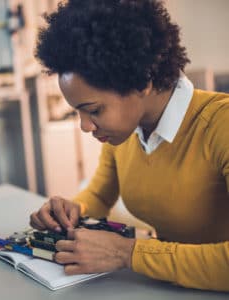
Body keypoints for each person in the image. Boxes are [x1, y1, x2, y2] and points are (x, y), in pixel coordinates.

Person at [30, 0, 229, 292]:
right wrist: (71, 210)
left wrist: (127, 253)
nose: (85, 126)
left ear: (141, 82)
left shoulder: (220, 125)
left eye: (94, 110)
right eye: (78, 112)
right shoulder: (126, 132)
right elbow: (99, 193)